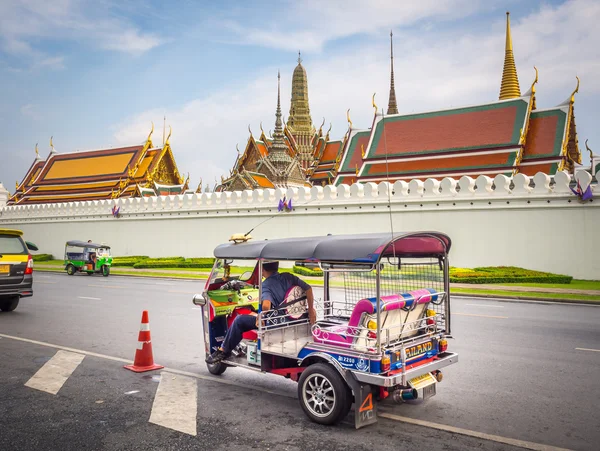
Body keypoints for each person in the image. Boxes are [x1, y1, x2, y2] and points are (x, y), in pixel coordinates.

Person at [206, 261, 316, 364]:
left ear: (262, 270)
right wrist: (311, 310)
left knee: (239, 320)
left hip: (276, 324)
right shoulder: (288, 276)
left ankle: (223, 350)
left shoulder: (266, 285)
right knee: (254, 315)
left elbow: (266, 306)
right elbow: (308, 289)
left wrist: (260, 316)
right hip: (296, 319)